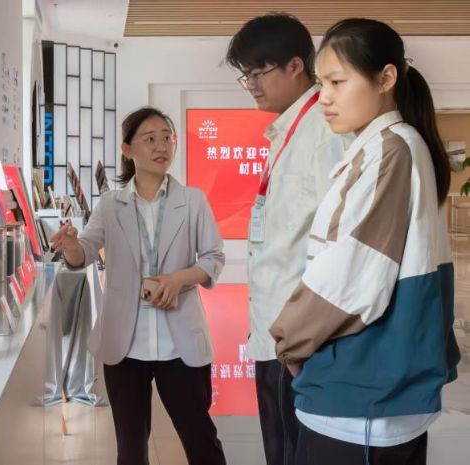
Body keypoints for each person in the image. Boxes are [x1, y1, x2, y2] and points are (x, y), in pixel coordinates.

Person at [269, 18, 461, 465]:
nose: (324, 97)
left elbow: (351, 278)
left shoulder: (391, 151)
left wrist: (289, 339)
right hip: (371, 395)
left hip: (362, 397)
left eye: (337, 82)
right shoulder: (389, 147)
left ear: (386, 78)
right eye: (321, 83)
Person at [50, 106, 227, 465]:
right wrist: (70, 246)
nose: (161, 146)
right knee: (130, 450)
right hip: (125, 346)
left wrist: (177, 280)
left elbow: (213, 258)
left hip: (180, 344)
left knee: (201, 441)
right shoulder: (110, 204)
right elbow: (84, 253)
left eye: (167, 138)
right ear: (127, 149)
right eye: (150, 139)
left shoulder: (192, 201)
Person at [225, 13, 348, 465]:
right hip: (275, 333)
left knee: (297, 452)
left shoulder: (325, 132)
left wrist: (302, 334)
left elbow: (337, 244)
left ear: (296, 66)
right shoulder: (287, 132)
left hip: (301, 340)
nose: (252, 86)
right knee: (279, 448)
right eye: (246, 76)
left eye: (258, 73)